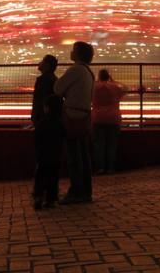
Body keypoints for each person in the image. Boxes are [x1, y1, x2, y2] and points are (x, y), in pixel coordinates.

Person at [54, 41, 95, 204]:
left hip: (72, 116)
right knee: (84, 156)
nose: (71, 52)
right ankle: (86, 191)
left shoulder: (76, 69)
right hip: (84, 116)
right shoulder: (88, 71)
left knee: (74, 157)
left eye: (73, 50)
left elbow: (58, 88)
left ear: (77, 54)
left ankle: (76, 192)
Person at [33, 94, 65, 210]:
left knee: (40, 176)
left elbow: (37, 139)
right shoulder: (60, 124)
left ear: (47, 108)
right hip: (55, 155)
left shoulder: (41, 124)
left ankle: (38, 196)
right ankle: (51, 198)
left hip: (42, 156)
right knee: (53, 177)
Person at [92, 69, 126, 173]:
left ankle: (100, 168)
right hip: (113, 118)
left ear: (99, 76)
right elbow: (125, 88)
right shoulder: (115, 87)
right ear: (108, 76)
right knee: (112, 145)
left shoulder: (94, 87)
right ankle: (111, 167)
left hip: (97, 118)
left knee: (99, 145)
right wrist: (114, 81)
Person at [31, 54, 58, 125]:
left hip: (42, 119)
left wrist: (36, 117)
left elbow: (40, 100)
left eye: (42, 61)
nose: (40, 63)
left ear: (47, 66)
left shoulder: (43, 80)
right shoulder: (53, 79)